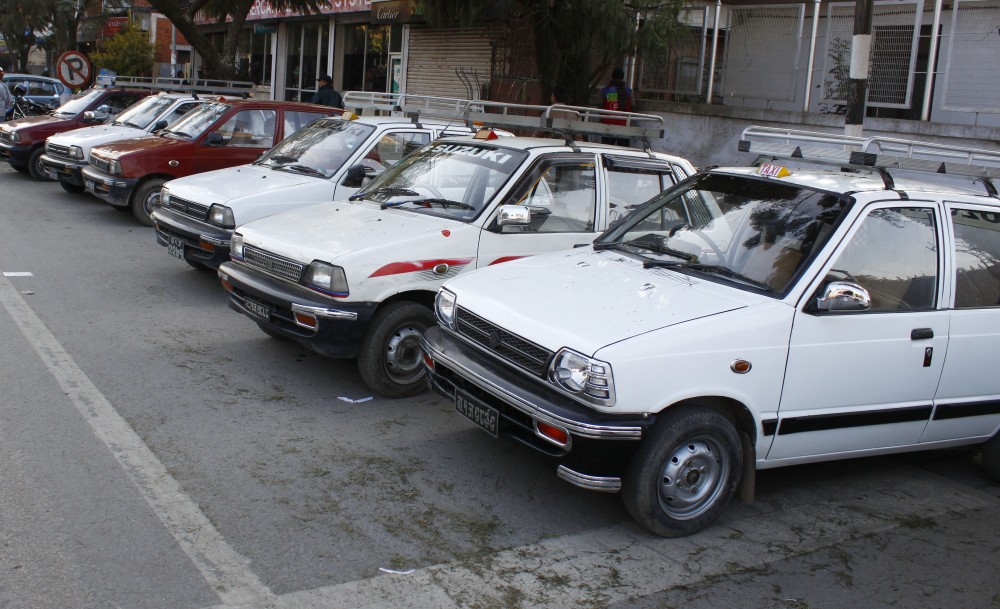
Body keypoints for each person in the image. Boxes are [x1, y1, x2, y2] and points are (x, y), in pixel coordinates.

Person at [600, 67, 633, 146]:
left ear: (612, 76)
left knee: (606, 150)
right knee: (623, 152)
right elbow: (633, 105)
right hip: (623, 125)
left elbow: (601, 106)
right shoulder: (628, 90)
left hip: (607, 125)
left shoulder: (605, 90)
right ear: (622, 77)